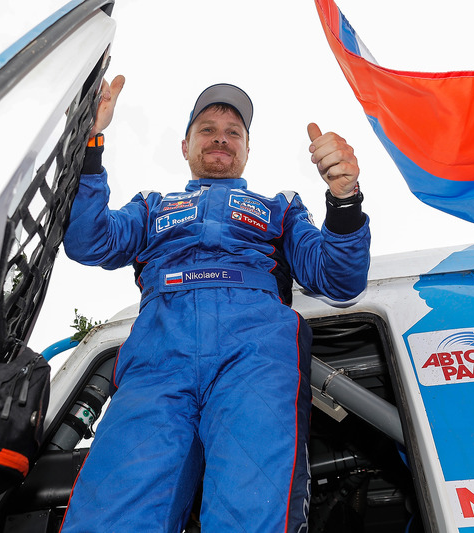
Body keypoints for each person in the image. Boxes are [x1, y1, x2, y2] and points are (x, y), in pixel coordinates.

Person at [60, 77, 371, 532]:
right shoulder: (152, 206)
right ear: (186, 145)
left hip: (256, 352)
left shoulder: (281, 207)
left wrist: (345, 199)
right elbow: (89, 241)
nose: (221, 137)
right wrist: (88, 144)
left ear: (247, 149)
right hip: (157, 355)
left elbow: (339, 280)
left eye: (234, 131)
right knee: (113, 508)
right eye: (207, 129)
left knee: (254, 510)